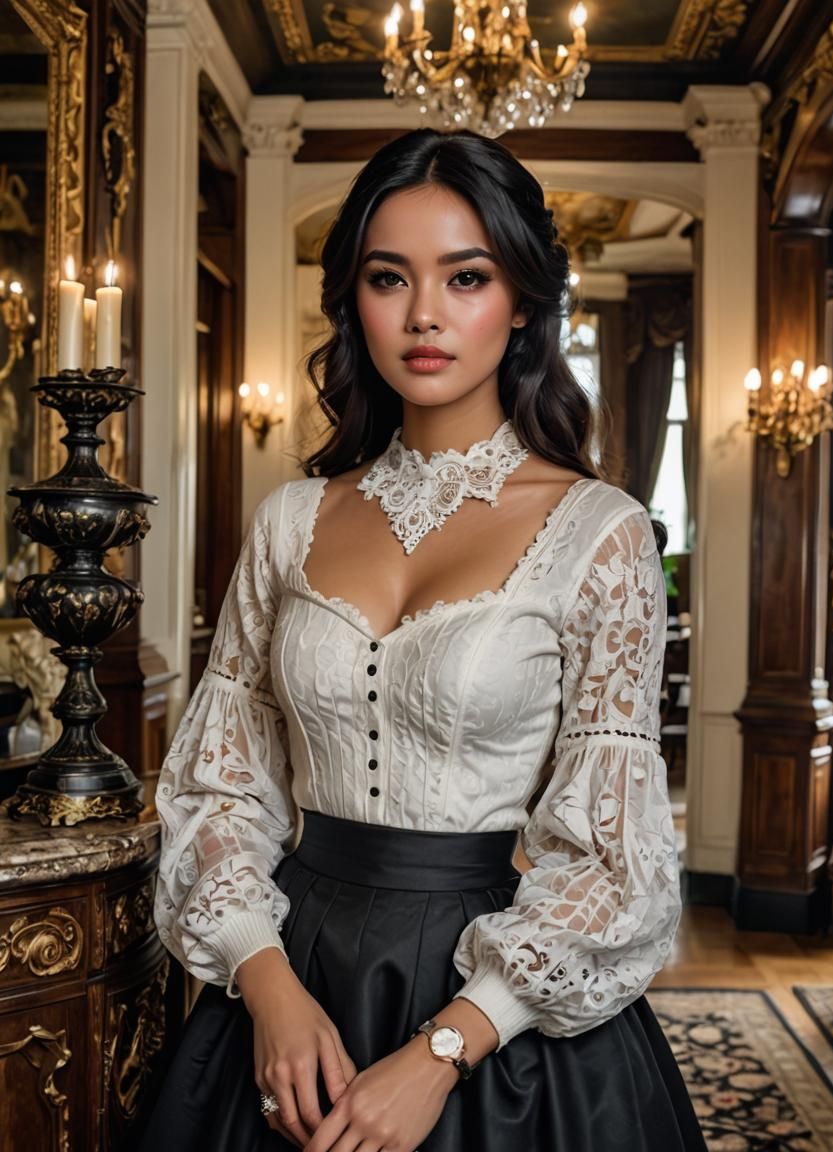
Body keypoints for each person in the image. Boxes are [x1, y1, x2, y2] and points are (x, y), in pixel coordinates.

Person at [139, 127, 707, 1152]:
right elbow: (217, 789)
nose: (425, 315)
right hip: (285, 969)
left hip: (492, 1004)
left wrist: (445, 1047)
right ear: (353, 302)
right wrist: (266, 987)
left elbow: (616, 861)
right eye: (388, 277)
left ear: (524, 299)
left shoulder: (600, 532)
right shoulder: (289, 520)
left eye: (467, 275)